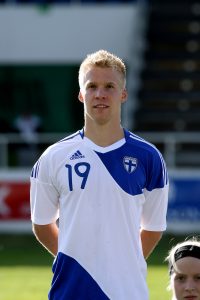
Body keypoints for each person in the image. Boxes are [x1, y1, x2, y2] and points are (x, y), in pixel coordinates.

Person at [30, 49, 169, 299]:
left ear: (123, 94)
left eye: (109, 86)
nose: (100, 94)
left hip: (127, 293)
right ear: (81, 95)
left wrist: (122, 265)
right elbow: (41, 224)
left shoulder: (149, 157)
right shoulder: (53, 157)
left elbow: (154, 228)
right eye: (92, 86)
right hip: (70, 291)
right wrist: (74, 259)